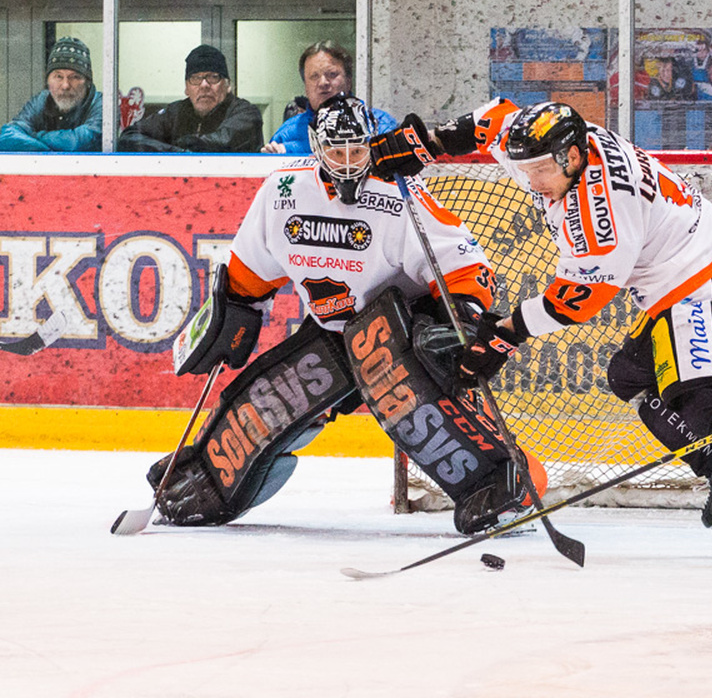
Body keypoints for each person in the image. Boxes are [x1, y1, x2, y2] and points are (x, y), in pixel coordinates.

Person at [369, 99, 712, 542]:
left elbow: (578, 299)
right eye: (527, 170)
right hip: (683, 279)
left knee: (705, 398)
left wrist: (505, 333)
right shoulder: (554, 148)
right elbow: (490, 120)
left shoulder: (600, 211)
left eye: (542, 171)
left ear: (572, 156)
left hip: (701, 282)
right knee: (631, 377)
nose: (533, 182)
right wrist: (426, 143)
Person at [145, 93, 541, 535]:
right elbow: (250, 274)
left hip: (403, 326)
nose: (350, 162)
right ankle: (209, 474)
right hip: (334, 327)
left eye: (358, 150)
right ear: (316, 146)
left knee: (400, 392)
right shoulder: (283, 192)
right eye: (337, 151)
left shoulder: (398, 193)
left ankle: (506, 484)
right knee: (271, 396)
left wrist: (462, 317)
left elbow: (466, 267)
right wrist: (235, 310)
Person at [118, 44, 263, 153]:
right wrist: (176, 153)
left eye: (213, 77)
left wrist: (178, 148)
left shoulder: (246, 114)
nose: (204, 85)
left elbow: (217, 144)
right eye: (196, 78)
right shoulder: (175, 113)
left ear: (228, 85)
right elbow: (129, 138)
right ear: (187, 88)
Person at [262, 40, 397, 154]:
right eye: (314, 77)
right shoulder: (287, 133)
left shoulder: (380, 125)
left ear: (349, 81)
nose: (323, 83)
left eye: (332, 74)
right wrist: (271, 161)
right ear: (305, 86)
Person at [0, 37, 102, 152]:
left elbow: (79, 143)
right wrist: (47, 147)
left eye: (74, 77)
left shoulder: (102, 104)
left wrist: (33, 137)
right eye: (58, 76)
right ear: (48, 81)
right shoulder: (42, 100)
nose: (65, 85)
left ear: (88, 82)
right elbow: (7, 136)